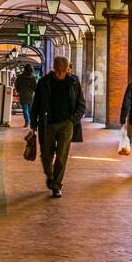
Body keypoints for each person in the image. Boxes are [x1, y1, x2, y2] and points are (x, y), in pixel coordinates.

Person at [31, 55, 85, 198]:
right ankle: (49, 176)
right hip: (47, 124)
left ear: (68, 69)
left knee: (61, 157)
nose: (61, 74)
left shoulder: (74, 82)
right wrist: (33, 123)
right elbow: (36, 104)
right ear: (53, 69)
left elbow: (81, 104)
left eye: (63, 71)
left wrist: (72, 120)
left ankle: (56, 185)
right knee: (47, 155)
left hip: (66, 124)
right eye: (58, 71)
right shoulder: (44, 82)